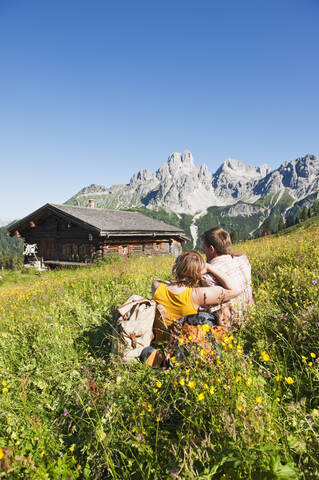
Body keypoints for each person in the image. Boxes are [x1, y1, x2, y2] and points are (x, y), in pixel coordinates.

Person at [151, 250, 243, 345]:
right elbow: (235, 290)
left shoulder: (157, 286)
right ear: (199, 273)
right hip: (183, 345)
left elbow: (167, 283)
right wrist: (209, 267)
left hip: (161, 343)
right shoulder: (196, 294)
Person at [200, 227, 254, 329]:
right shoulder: (244, 261)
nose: (204, 252)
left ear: (212, 249)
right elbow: (242, 254)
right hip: (250, 319)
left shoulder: (208, 277)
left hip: (232, 326)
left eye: (204, 249)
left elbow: (218, 313)